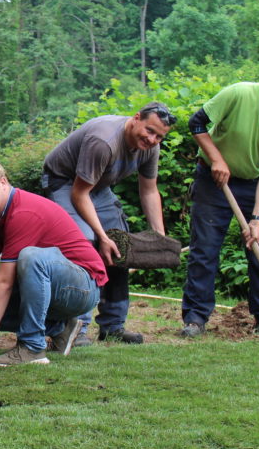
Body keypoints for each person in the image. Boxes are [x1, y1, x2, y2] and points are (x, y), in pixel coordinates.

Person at [180, 59, 259, 340]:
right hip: (212, 180)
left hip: (254, 184)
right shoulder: (239, 93)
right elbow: (196, 122)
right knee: (205, 250)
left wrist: (257, 219)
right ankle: (195, 318)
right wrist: (216, 159)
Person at [0, 159, 107, 366]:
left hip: (83, 287)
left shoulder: (23, 212)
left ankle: (32, 347)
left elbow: (4, 282)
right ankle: (60, 328)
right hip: (57, 287)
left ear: (3, 182)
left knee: (31, 257)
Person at [42, 102, 175, 344]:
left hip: (97, 187)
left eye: (159, 136)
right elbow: (79, 194)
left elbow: (149, 191)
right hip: (64, 182)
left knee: (120, 246)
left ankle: (113, 325)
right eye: (149, 131)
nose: (152, 139)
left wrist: (160, 238)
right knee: (84, 244)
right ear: (136, 118)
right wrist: (101, 237)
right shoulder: (104, 141)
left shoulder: (151, 148)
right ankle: (73, 328)